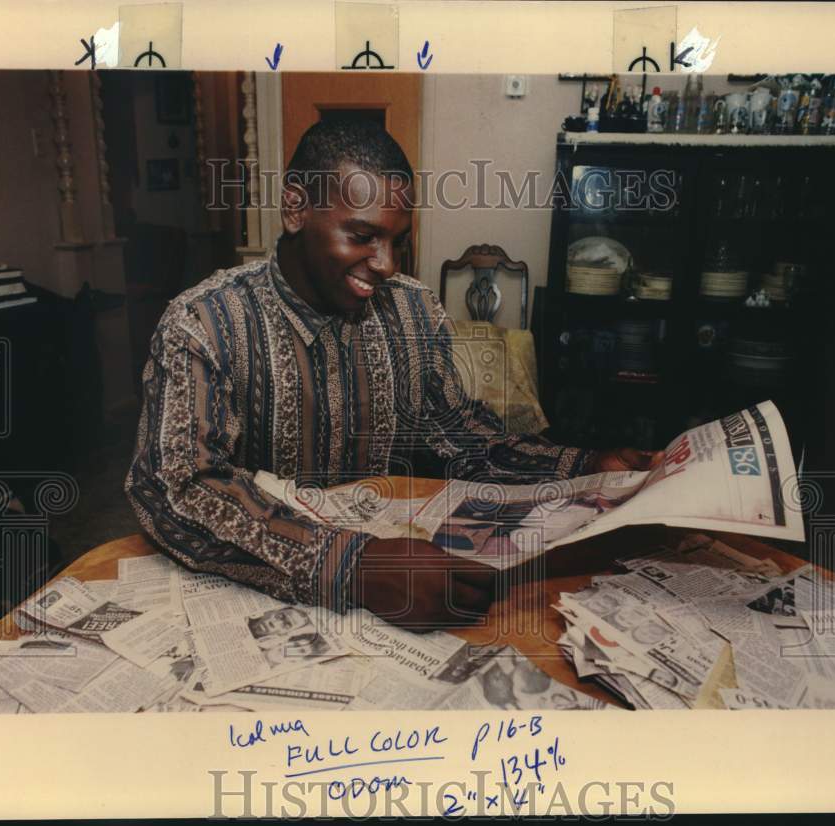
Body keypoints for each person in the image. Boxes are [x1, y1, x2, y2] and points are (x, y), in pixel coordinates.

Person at [125, 119, 662, 632]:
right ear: (295, 208)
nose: (385, 264)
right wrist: (356, 567)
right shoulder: (204, 324)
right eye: (363, 235)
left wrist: (585, 465)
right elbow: (177, 490)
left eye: (398, 241)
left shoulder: (412, 311)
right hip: (256, 603)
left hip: (394, 598)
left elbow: (461, 440)